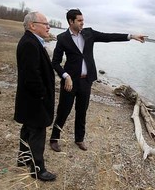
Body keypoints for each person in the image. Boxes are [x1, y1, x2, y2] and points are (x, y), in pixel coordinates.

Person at [50, 9, 146, 152]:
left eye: (83, 20)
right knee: (63, 111)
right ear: (71, 21)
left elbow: (108, 36)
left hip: (86, 81)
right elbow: (55, 62)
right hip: (70, 82)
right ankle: (54, 139)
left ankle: (79, 139)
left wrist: (131, 36)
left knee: (82, 111)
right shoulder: (62, 38)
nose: (83, 23)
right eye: (80, 20)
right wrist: (65, 76)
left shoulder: (88, 33)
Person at [14, 11, 56, 181]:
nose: (48, 26)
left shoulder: (32, 41)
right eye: (45, 23)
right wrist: (43, 96)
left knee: (27, 129)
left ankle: (23, 160)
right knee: (37, 133)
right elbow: (31, 76)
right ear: (32, 25)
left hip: (30, 100)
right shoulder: (30, 44)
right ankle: (38, 170)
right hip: (34, 101)